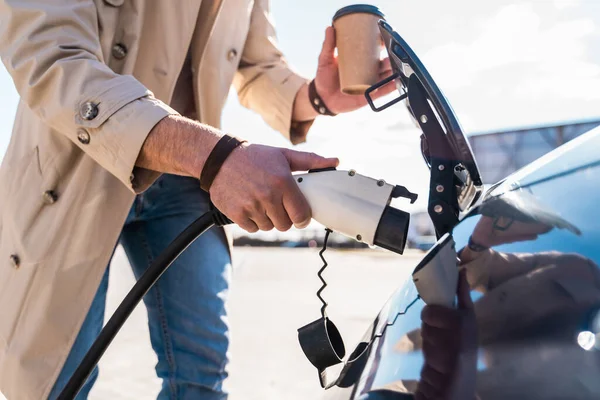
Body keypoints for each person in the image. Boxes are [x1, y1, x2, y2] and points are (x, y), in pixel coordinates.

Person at [0, 1, 395, 399]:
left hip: (189, 178)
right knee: (57, 376)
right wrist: (216, 157)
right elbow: (49, 53)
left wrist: (315, 97)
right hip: (80, 167)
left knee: (202, 373)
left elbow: (257, 64)